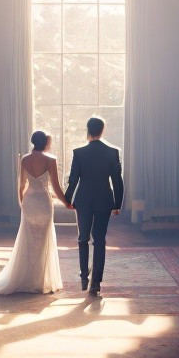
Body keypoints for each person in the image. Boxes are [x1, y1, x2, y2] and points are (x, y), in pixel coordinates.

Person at [0, 131, 69, 294]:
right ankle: (40, 280)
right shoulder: (50, 160)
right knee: (43, 239)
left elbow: (22, 186)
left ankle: (27, 278)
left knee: (29, 240)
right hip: (44, 203)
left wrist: (23, 204)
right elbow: (56, 187)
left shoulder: (25, 159)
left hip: (29, 203)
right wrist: (67, 202)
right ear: (46, 142)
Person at [64, 116, 124, 297]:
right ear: (102, 130)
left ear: (87, 129)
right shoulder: (112, 152)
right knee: (99, 240)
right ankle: (96, 283)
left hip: (83, 200)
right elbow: (117, 181)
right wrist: (117, 203)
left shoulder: (79, 152)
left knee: (83, 238)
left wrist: (68, 199)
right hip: (104, 200)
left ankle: (84, 277)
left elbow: (73, 179)